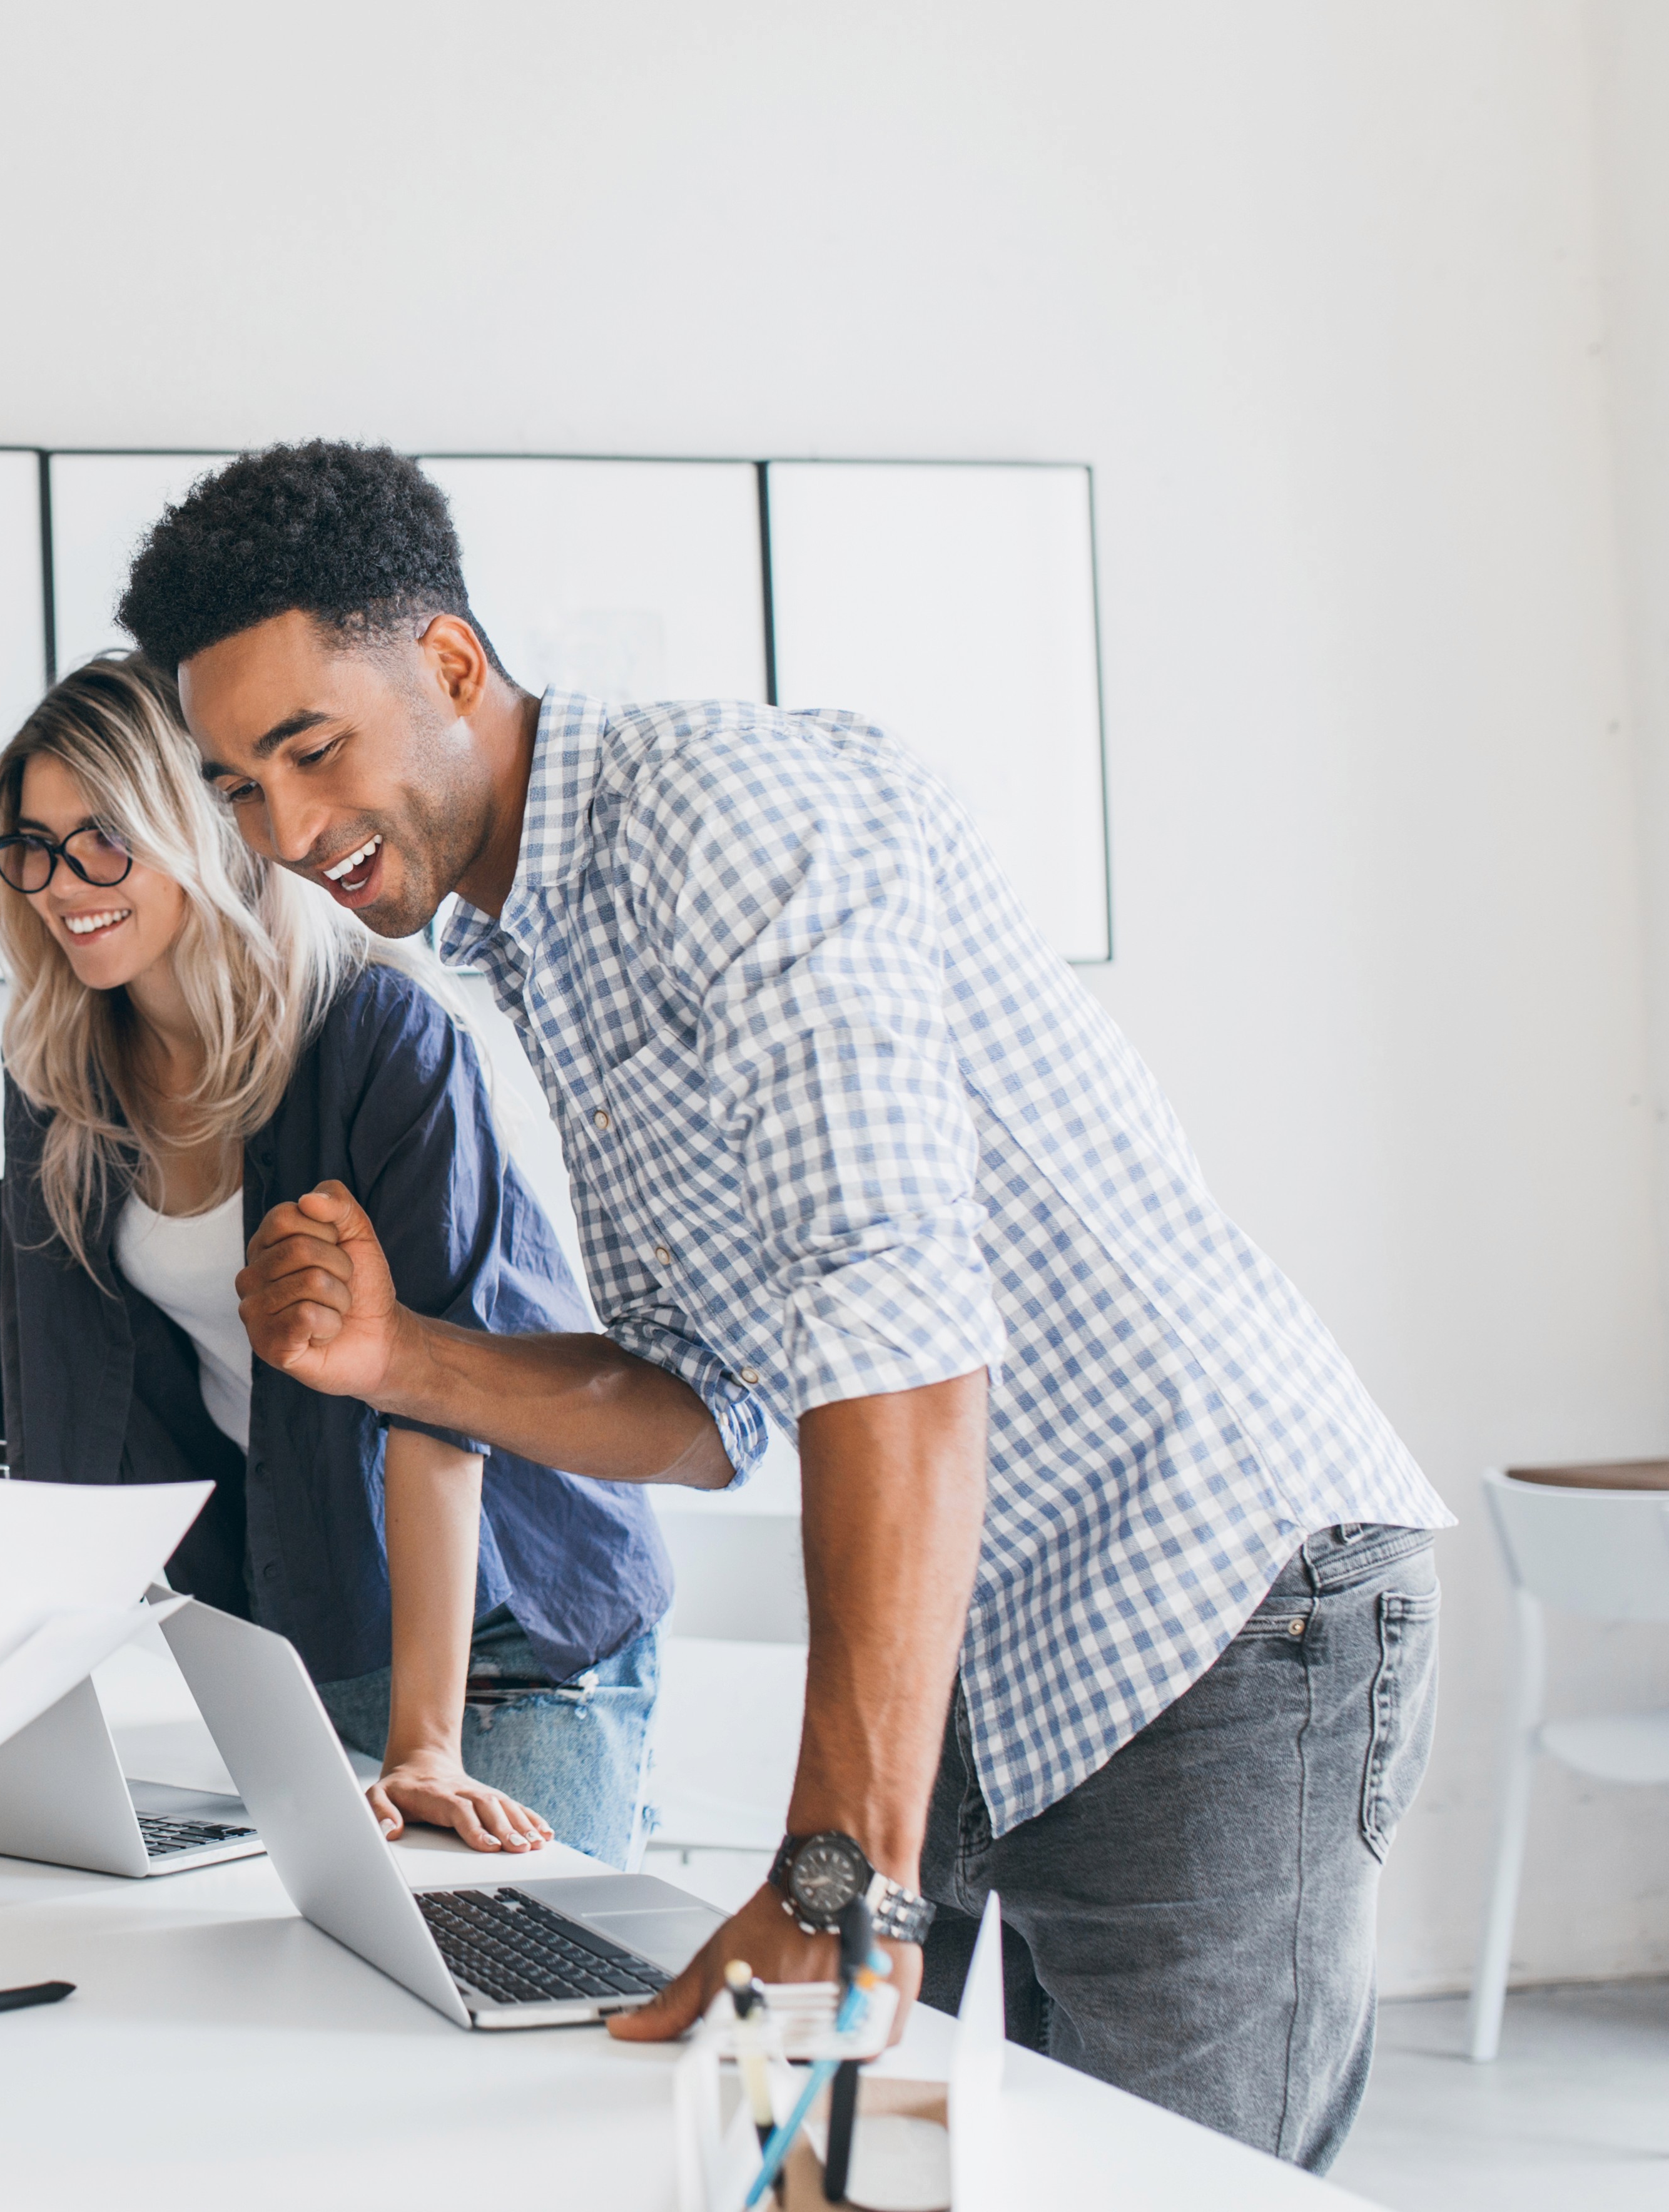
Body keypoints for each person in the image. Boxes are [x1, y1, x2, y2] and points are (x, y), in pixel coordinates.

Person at [145, 443, 1448, 2170]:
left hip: (1211, 1601)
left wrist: (840, 1873)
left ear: (451, 667)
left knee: (1166, 2189)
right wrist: (405, 1361)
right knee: (874, 2172)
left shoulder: (726, 815)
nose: (291, 833)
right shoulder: (530, 933)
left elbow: (892, 1321)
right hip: (985, 1634)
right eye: (239, 788)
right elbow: (712, 1403)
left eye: (312, 750)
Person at [0, 656, 670, 1865]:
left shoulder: (379, 1035)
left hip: (502, 1641)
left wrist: (425, 1747)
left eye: (102, 840)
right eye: (30, 846)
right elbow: (55, 1410)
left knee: (490, 1971)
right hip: (302, 1627)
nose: (58, 885)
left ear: (195, 827)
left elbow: (436, 1404)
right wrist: (7, 1708)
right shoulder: (58, 1079)